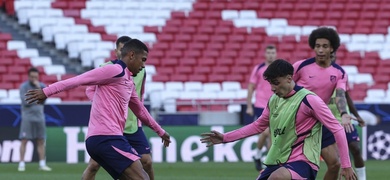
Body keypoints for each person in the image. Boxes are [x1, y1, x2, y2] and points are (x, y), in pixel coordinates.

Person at [25, 39, 171, 180]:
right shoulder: (114, 70)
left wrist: (160, 131)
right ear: (132, 55)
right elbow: (79, 80)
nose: (144, 65)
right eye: (143, 59)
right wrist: (47, 91)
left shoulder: (128, 81)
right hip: (107, 138)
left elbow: (140, 110)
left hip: (104, 139)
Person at [200, 59, 357, 180]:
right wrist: (226, 137)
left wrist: (346, 165)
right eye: (270, 84)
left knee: (277, 178)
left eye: (276, 83)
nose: (272, 88)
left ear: (289, 78)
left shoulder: (310, 100)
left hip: (303, 163)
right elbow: (257, 126)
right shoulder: (274, 100)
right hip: (277, 161)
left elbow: (337, 128)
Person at [82, 36, 157, 180]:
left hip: (132, 125)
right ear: (116, 50)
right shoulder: (107, 68)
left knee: (146, 162)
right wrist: (103, 105)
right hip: (110, 126)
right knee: (93, 166)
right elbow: (89, 89)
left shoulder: (140, 70)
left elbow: (139, 96)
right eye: (121, 49)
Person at [292, 27, 356, 180]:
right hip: (296, 122)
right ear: (313, 47)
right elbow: (283, 89)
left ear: (332, 48)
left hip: (319, 122)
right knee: (292, 167)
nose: (320, 50)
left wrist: (344, 113)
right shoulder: (300, 66)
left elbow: (340, 94)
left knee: (335, 164)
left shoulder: (339, 72)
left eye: (325, 46)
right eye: (317, 46)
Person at [328, 52, 366, 180]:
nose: (330, 58)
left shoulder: (340, 74)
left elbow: (346, 96)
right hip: (327, 122)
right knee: (335, 159)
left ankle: (362, 178)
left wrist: (357, 116)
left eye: (332, 56)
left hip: (344, 120)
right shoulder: (317, 76)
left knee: (355, 148)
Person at [246, 45, 277, 171]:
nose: (270, 55)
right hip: (260, 105)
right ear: (265, 54)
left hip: (275, 105)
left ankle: (267, 162)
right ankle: (258, 154)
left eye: (273, 52)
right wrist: (249, 106)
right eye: (268, 52)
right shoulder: (258, 68)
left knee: (272, 135)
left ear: (276, 54)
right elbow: (251, 87)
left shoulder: (278, 69)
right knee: (266, 132)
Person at [18, 67, 52, 172]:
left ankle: (42, 164)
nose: (34, 79)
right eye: (32, 77)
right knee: (24, 140)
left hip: (39, 117)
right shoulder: (23, 87)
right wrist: (38, 98)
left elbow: (44, 101)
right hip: (27, 117)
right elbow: (25, 102)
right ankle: (22, 163)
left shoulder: (41, 86)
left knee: (41, 140)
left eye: (35, 77)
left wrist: (39, 90)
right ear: (28, 76)